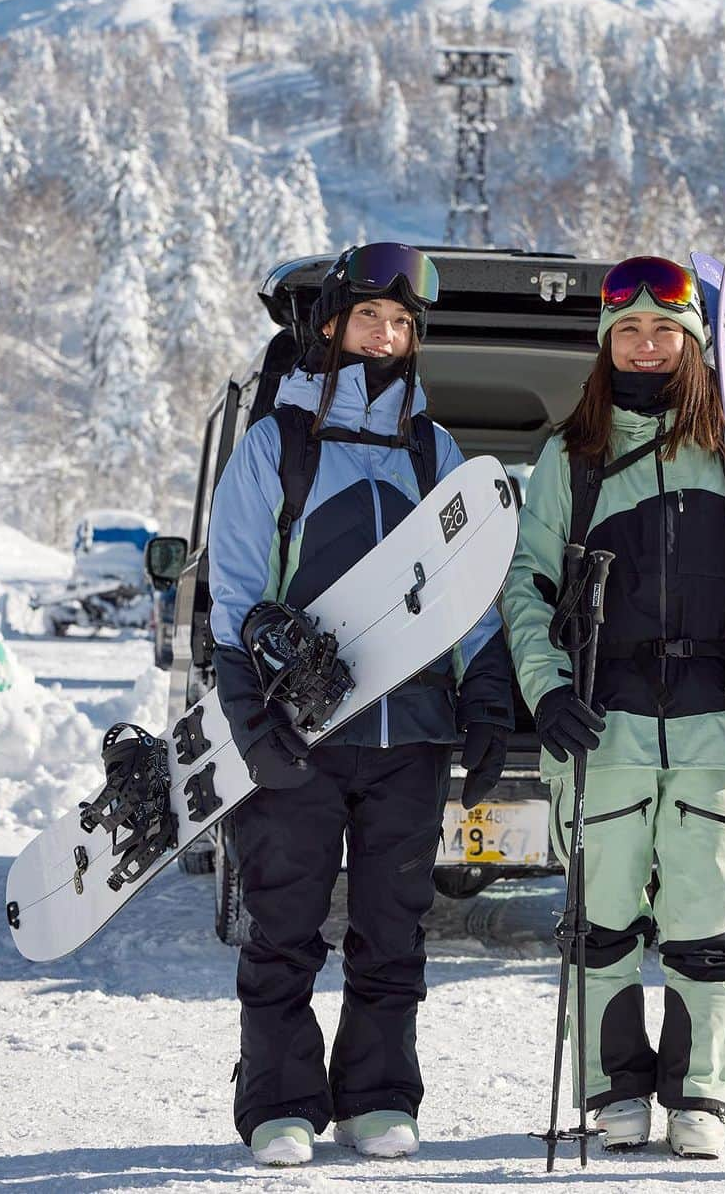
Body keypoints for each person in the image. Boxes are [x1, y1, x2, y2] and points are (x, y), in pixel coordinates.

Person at [502, 254, 725, 1161]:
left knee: (701, 915)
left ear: (692, 348)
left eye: (665, 334)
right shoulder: (570, 458)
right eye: (629, 333)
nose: (646, 348)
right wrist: (547, 688)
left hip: (713, 724)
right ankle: (614, 1092)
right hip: (601, 724)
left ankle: (700, 1095)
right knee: (601, 918)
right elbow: (527, 588)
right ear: (605, 344)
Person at [208, 242, 514, 1167]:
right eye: (371, 318)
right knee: (284, 924)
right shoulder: (278, 444)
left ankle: (380, 1093)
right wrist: (245, 713)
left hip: (411, 733)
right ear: (331, 325)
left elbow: (470, 590)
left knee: (394, 924)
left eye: (403, 324)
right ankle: (279, 1101)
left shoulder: (436, 450)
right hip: (300, 732)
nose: (387, 336)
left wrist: (490, 695)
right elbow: (233, 588)